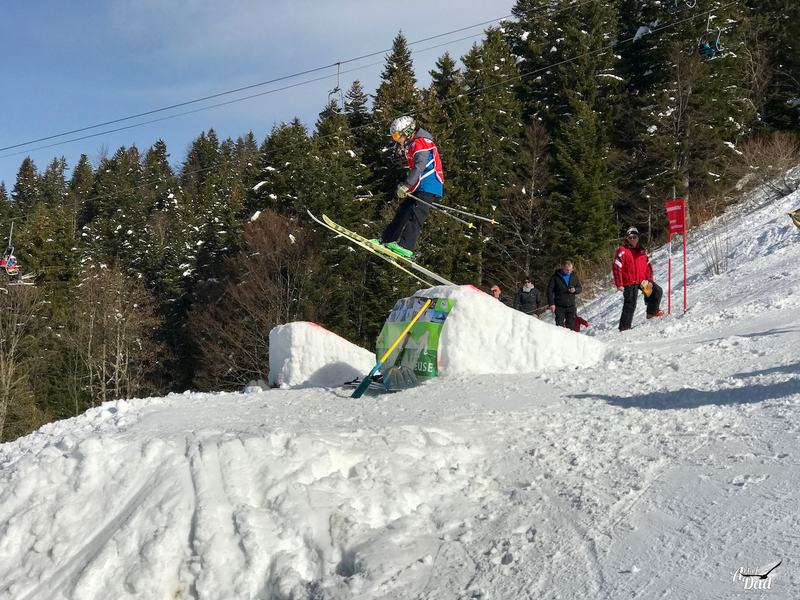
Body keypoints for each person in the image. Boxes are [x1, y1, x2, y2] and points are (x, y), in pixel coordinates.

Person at [377, 116, 445, 259]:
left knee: (416, 215)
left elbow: (420, 165)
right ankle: (387, 240)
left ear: (407, 132)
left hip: (429, 184)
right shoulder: (412, 144)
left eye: (397, 135)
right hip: (418, 185)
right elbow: (413, 164)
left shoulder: (422, 142)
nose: (396, 140)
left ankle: (405, 247)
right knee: (403, 211)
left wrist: (407, 185)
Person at [612, 226, 664, 331]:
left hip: (642, 281)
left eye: (634, 237)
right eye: (630, 237)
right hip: (629, 283)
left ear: (638, 237)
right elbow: (616, 267)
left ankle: (652, 312)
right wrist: (620, 284)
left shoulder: (642, 250)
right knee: (630, 304)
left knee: (656, 291)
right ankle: (624, 328)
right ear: (627, 238)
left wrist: (649, 279)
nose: (632, 239)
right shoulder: (622, 251)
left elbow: (648, 266)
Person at [547, 260, 582, 328]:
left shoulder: (574, 276)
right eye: (567, 270)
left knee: (571, 327)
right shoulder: (555, 277)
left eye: (570, 270)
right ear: (563, 268)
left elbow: (580, 288)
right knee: (559, 327)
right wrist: (551, 304)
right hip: (559, 306)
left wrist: (575, 290)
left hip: (571, 306)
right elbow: (549, 291)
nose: (569, 271)